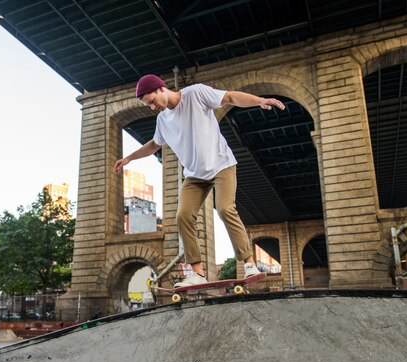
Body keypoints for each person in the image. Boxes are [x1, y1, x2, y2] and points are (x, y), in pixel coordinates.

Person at [114, 74, 285, 287]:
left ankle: (249, 263)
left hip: (221, 164)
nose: (152, 107)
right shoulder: (162, 120)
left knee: (224, 208)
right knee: (183, 216)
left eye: (151, 101)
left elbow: (230, 97)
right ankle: (197, 272)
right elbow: (154, 144)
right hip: (195, 175)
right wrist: (129, 157)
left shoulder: (195, 94)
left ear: (160, 89)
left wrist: (258, 101)